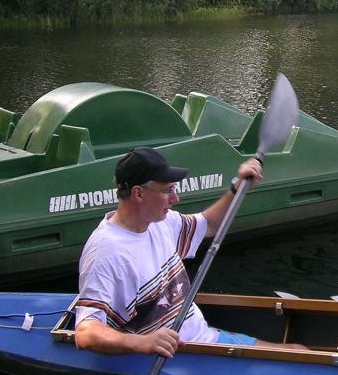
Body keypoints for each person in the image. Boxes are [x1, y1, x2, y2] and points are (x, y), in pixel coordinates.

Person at [74, 146, 304, 356]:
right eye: (168, 190)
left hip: (206, 338)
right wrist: (143, 343)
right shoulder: (106, 253)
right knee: (298, 358)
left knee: (298, 351)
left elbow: (210, 224)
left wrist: (238, 186)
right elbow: (85, 332)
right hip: (178, 356)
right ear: (138, 193)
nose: (176, 198)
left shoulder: (161, 222)